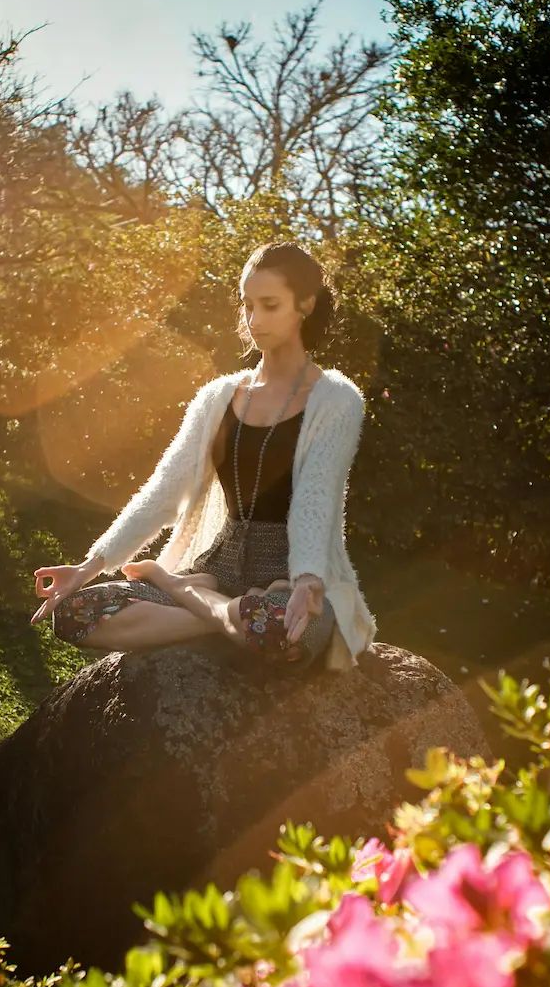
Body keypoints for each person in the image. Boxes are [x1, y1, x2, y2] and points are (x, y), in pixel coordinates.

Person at [30, 240, 377, 673]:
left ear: (305, 303)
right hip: (217, 564)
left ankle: (176, 587)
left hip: (288, 577)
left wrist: (308, 579)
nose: (254, 320)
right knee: (76, 612)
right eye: (247, 305)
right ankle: (219, 613)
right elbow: (163, 491)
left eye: (270, 305)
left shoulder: (338, 399)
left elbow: (315, 498)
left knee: (277, 633)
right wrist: (88, 567)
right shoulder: (218, 397)